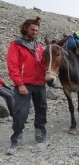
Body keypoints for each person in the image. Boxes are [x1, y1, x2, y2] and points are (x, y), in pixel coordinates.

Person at [6, 17, 47, 155]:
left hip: (40, 83)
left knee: (42, 109)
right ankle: (17, 136)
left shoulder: (39, 46)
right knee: (20, 112)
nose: (34, 32)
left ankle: (40, 131)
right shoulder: (16, 44)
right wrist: (19, 84)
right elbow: (12, 66)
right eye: (32, 29)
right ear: (25, 28)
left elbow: (42, 64)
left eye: (36, 30)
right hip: (24, 84)